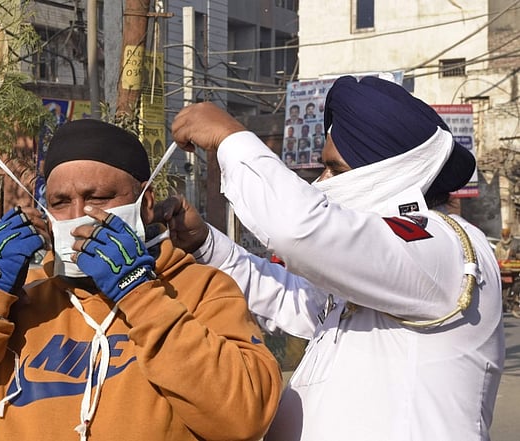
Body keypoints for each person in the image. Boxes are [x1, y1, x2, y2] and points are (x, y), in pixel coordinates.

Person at [164, 75, 504, 441]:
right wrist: (206, 246)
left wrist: (231, 138)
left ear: (390, 173)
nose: (321, 183)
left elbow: (298, 229)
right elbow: (290, 297)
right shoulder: (382, 268)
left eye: (336, 170)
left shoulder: (443, 246)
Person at [0, 119, 282, 441]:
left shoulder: (201, 288)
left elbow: (244, 417)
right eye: (59, 202)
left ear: (145, 202)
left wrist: (140, 294)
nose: (78, 216)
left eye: (97, 198)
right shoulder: (21, 299)